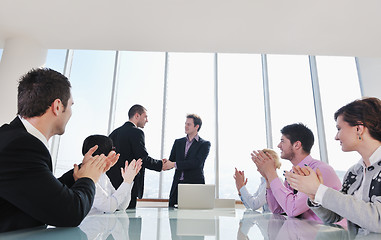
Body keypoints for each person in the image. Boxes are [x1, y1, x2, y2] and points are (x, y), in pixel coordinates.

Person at [0, 68, 119, 233]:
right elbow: (70, 213)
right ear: (57, 106)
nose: (70, 113)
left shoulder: (15, 139)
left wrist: (82, 172)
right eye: (70, 105)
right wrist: (89, 179)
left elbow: (43, 193)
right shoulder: (20, 146)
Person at [285, 97, 381, 234]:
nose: (336, 137)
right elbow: (333, 216)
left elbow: (378, 220)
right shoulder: (354, 172)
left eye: (339, 128)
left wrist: (319, 190)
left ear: (359, 128)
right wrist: (313, 195)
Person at [253, 123, 341, 222]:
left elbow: (292, 209)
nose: (278, 146)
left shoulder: (319, 170)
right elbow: (278, 209)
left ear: (297, 145)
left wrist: (271, 173)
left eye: (283, 141)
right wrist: (268, 178)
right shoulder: (293, 173)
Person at [107, 104, 170, 209]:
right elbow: (142, 158)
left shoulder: (114, 133)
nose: (147, 120)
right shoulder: (137, 132)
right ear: (137, 116)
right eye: (145, 117)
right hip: (128, 185)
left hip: (112, 185)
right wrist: (161, 165)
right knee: (128, 221)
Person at [81, 135, 142, 214]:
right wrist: (126, 182)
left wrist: (128, 181)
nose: (115, 153)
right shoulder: (87, 177)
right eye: (113, 149)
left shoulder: (103, 175)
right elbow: (109, 207)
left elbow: (121, 206)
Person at [165, 114, 211, 207]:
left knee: (195, 218)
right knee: (173, 218)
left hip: (194, 186)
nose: (186, 126)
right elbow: (172, 161)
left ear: (196, 127)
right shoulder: (178, 142)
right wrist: (165, 164)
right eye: (185, 124)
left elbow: (197, 163)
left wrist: (173, 164)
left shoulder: (204, 144)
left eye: (189, 124)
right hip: (177, 185)